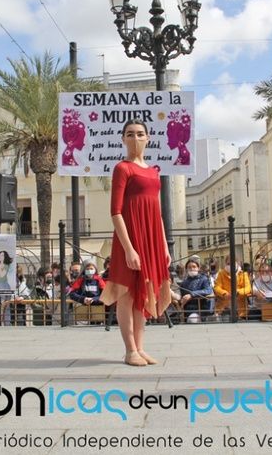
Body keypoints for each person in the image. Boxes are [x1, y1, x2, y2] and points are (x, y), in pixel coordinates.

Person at [101, 119, 171, 366]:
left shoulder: (153, 171)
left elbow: (157, 212)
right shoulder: (122, 168)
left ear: (148, 138)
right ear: (123, 139)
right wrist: (129, 248)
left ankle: (140, 348)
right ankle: (130, 350)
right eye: (130, 134)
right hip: (129, 239)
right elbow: (115, 212)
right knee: (127, 294)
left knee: (144, 293)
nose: (135, 138)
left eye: (140, 134)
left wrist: (163, 246)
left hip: (151, 238)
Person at [178, 257, 212, 323]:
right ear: (186, 269)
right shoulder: (184, 282)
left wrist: (192, 295)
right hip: (186, 311)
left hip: (200, 310)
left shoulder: (204, 279)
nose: (192, 269)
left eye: (194, 266)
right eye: (189, 267)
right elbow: (181, 294)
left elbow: (208, 290)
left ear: (198, 268)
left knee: (192, 320)